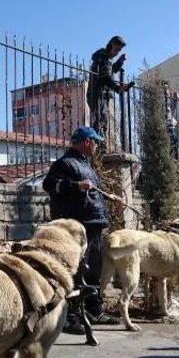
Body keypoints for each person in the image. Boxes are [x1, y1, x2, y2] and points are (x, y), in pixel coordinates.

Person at [42, 126, 120, 334]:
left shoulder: (85, 164)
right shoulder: (64, 163)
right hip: (76, 228)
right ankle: (70, 316)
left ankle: (94, 310)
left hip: (93, 225)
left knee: (94, 269)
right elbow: (49, 185)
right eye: (95, 142)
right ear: (87, 142)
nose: (96, 146)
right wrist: (76, 185)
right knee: (76, 271)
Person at [87, 36, 133, 146]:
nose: (116, 53)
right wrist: (118, 88)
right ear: (110, 46)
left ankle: (100, 145)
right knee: (100, 121)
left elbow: (110, 72)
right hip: (97, 94)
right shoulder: (102, 58)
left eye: (119, 51)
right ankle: (99, 147)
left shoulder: (106, 59)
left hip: (102, 94)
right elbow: (106, 77)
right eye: (116, 49)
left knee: (103, 120)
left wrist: (119, 62)